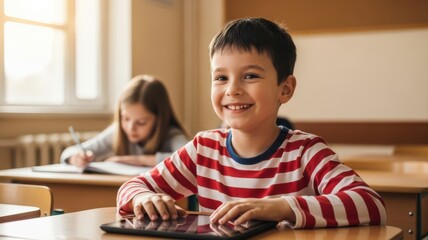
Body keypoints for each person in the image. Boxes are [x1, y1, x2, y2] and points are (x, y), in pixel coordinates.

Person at [116, 18, 386, 228]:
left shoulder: (305, 151)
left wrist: (282, 207)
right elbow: (129, 189)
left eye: (250, 76)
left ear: (285, 89)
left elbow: (371, 205)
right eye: (221, 78)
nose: (232, 90)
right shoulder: (203, 149)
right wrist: (144, 197)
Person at [60, 75, 189, 168]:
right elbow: (68, 152)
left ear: (159, 120)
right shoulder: (117, 132)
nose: (130, 128)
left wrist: (135, 160)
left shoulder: (171, 135)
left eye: (141, 122)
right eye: (125, 118)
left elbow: (189, 159)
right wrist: (76, 157)